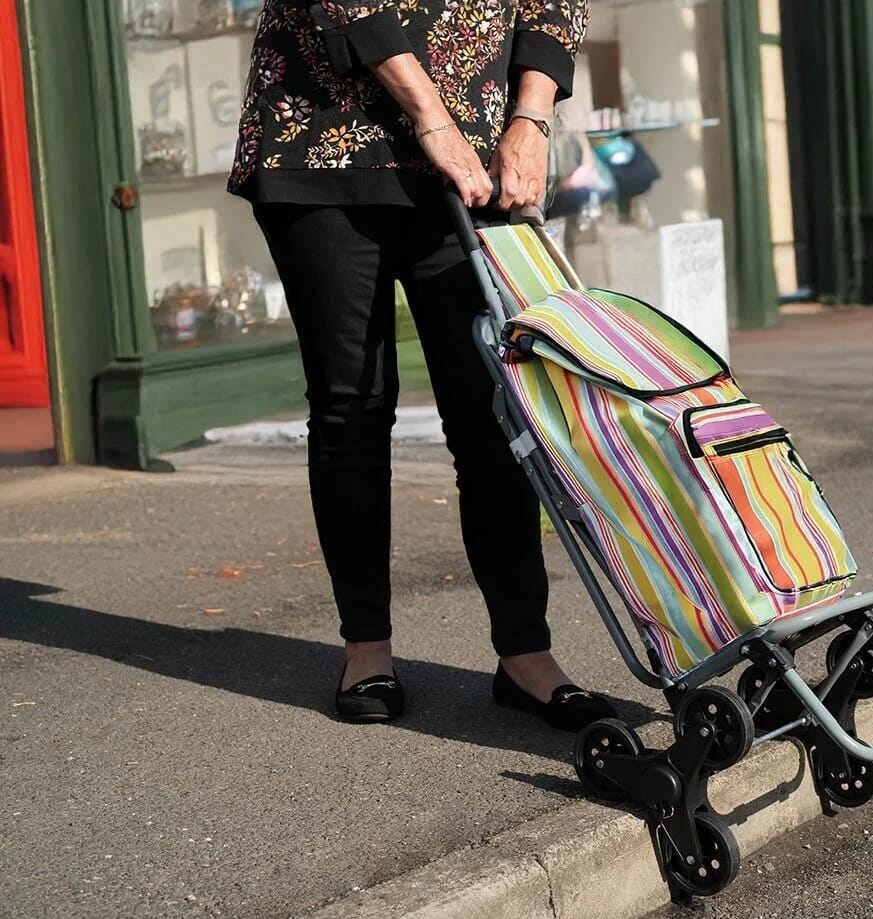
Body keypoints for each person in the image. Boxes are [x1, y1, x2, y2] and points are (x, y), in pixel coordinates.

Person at [229, 0, 617, 730]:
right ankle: (366, 649)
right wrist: (431, 118)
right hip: (325, 142)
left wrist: (531, 120)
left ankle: (526, 655)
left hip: (477, 159)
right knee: (351, 406)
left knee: (493, 414)